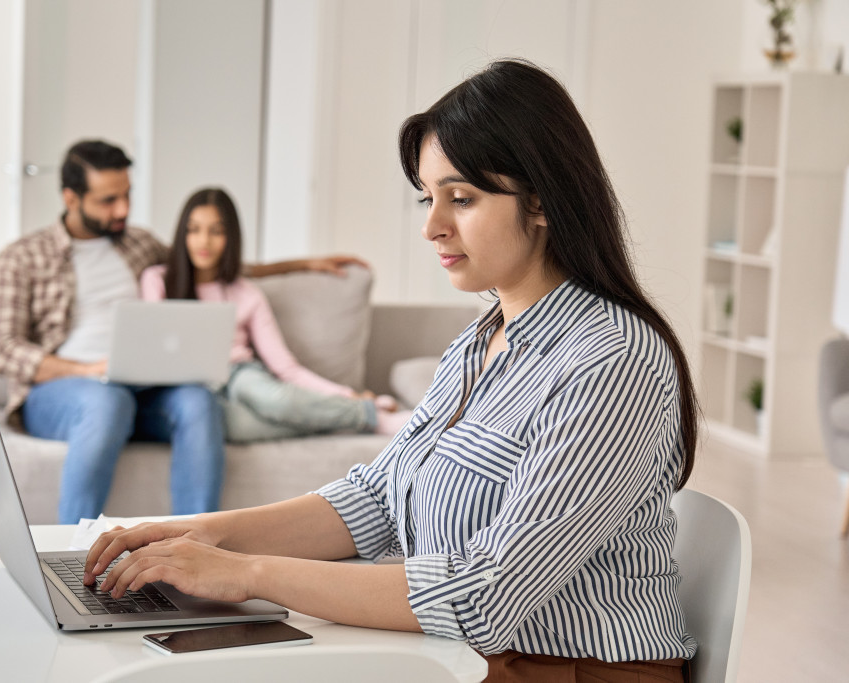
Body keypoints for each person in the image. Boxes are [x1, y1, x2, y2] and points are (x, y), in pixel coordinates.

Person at [81, 60, 699, 682]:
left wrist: (246, 574)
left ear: (541, 200)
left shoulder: (614, 358)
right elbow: (376, 499)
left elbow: (486, 596)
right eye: (429, 199)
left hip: (570, 670)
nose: (432, 226)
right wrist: (201, 535)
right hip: (463, 656)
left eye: (462, 199)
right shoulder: (478, 343)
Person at [0, 139, 364, 525]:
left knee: (199, 402)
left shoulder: (137, 244)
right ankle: (71, 553)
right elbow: (0, 349)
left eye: (127, 195)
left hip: (142, 387)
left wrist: (301, 264)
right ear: (71, 198)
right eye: (108, 200)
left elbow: (207, 263)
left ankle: (193, 553)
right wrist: (87, 370)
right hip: (66, 391)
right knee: (106, 402)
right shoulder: (23, 257)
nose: (123, 210)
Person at [139, 187, 411, 442]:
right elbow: (155, 351)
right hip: (191, 388)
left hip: (238, 374)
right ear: (181, 234)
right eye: (194, 230)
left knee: (276, 401)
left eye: (216, 231)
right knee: (230, 425)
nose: (203, 241)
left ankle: (371, 417)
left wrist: (346, 394)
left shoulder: (247, 294)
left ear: (230, 238)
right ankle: (358, 415)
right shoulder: (157, 280)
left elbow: (286, 368)